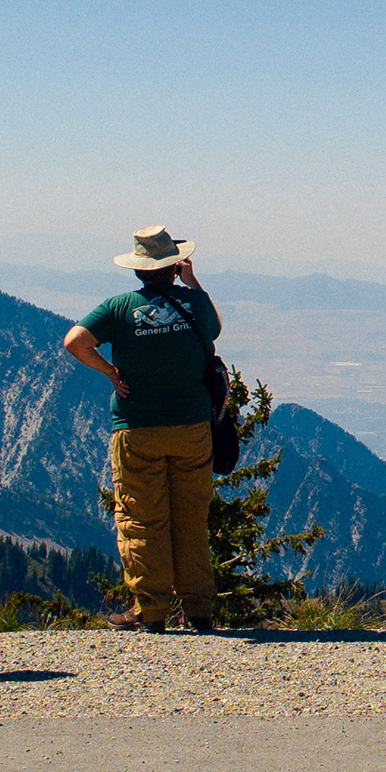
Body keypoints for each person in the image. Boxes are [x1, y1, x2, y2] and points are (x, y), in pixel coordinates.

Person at [64, 226, 226, 632]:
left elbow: (74, 341)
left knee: (142, 519)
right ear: (173, 266)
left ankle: (151, 612)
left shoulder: (119, 307)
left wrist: (110, 372)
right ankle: (199, 611)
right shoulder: (193, 303)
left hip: (137, 428)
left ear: (138, 269)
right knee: (190, 518)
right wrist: (192, 283)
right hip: (191, 427)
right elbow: (215, 330)